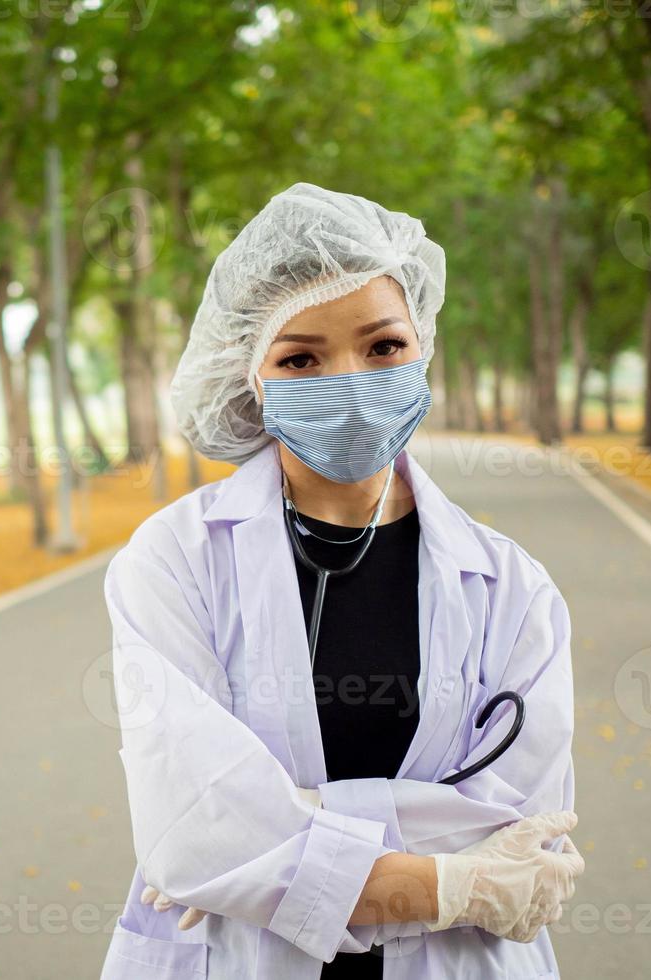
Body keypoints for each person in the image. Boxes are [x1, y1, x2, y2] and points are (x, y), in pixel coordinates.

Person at [99, 183, 583, 980]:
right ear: (249, 377)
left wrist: (280, 839)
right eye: (300, 358)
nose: (350, 380)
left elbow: (520, 832)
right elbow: (193, 832)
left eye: (383, 346)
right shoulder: (174, 561)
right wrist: (449, 884)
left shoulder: (509, 587)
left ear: (422, 345)